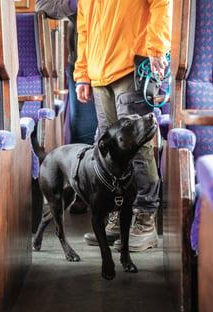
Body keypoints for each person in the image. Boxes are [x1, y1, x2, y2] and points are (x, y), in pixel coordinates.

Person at [75, 0, 171, 251]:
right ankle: (120, 214)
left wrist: (157, 47)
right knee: (110, 153)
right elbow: (84, 28)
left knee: (139, 148)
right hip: (98, 73)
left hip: (130, 66)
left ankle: (145, 218)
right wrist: (82, 73)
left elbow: (162, 3)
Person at [35, 0, 98, 145]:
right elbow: (42, 5)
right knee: (84, 135)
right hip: (84, 65)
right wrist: (73, 4)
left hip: (127, 64)